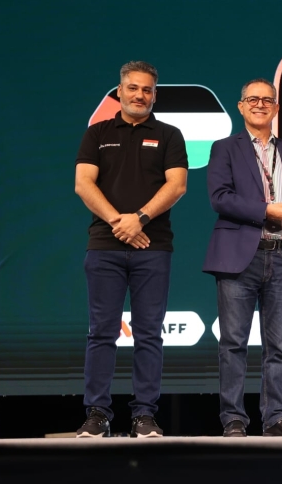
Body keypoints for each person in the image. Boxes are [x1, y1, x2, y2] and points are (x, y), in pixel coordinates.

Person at [74, 61, 188, 438]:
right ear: (120, 91)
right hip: (104, 246)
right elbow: (83, 184)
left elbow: (177, 186)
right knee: (101, 332)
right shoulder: (97, 133)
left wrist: (139, 218)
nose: (140, 95)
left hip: (153, 247)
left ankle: (144, 415)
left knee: (149, 334)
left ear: (155, 95)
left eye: (147, 90)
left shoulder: (169, 135)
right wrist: (118, 223)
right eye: (134, 88)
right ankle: (97, 414)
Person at [202, 78, 282, 437]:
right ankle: (233, 418)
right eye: (252, 99)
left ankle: (276, 417)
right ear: (241, 106)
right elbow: (220, 198)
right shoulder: (224, 148)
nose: (260, 105)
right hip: (239, 258)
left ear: (276, 108)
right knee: (233, 343)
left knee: (279, 346)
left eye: (267, 100)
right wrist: (265, 210)